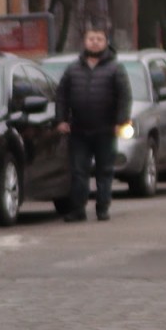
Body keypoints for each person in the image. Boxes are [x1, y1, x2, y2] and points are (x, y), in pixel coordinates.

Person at [55, 25, 131, 221]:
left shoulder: (115, 68)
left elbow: (124, 97)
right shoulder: (73, 69)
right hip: (79, 130)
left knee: (104, 171)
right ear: (85, 42)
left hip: (106, 129)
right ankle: (78, 209)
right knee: (78, 171)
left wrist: (121, 122)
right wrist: (61, 120)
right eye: (91, 39)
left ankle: (102, 208)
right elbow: (61, 96)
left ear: (106, 42)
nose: (94, 42)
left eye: (99, 39)